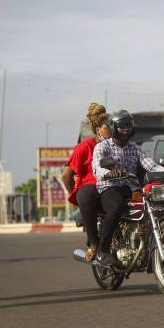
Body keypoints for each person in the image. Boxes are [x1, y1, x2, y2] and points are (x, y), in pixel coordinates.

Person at [92, 110, 164, 266]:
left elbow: (150, 164)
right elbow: (97, 168)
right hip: (109, 187)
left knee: (154, 206)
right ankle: (102, 251)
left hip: (131, 187)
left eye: (128, 125)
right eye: (121, 126)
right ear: (113, 127)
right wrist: (110, 173)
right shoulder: (103, 147)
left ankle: (145, 244)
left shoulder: (135, 148)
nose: (125, 129)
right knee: (117, 206)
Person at [62, 103, 111, 262]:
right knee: (88, 195)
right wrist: (76, 198)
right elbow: (66, 176)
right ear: (98, 129)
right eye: (108, 127)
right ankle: (94, 244)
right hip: (89, 188)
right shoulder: (84, 147)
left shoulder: (115, 147)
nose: (112, 130)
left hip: (110, 187)